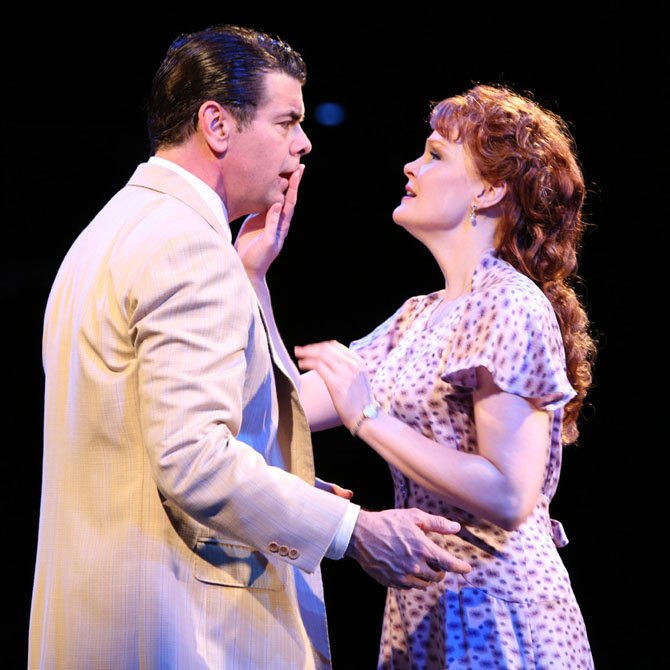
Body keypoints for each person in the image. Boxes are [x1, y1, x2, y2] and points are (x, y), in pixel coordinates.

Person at [28, 24, 471, 669]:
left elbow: (138, 435)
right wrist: (353, 532)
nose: (304, 143)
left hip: (102, 620)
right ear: (218, 124)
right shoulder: (186, 246)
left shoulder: (110, 229)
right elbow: (193, 459)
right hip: (173, 631)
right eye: (286, 121)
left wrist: (287, 478)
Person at [295, 83, 597, 669]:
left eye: (435, 154)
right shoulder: (419, 315)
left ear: (489, 189)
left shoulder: (512, 303)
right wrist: (252, 275)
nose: (411, 165)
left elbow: (510, 495)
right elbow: (287, 406)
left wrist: (368, 419)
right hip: (426, 601)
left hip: (499, 608)